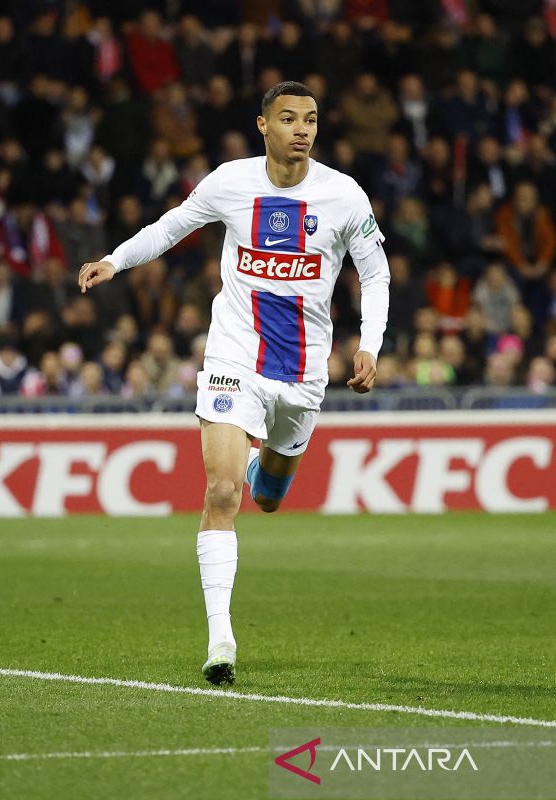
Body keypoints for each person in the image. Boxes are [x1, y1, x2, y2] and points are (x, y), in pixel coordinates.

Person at [79, 81, 389, 686]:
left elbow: (375, 273)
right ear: (263, 126)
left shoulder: (344, 195)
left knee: (267, 497)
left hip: (303, 372)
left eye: (312, 119)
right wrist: (114, 260)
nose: (303, 129)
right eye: (289, 119)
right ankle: (221, 637)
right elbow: (172, 227)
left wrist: (370, 344)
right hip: (234, 356)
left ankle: (258, 464)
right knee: (222, 495)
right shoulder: (230, 181)